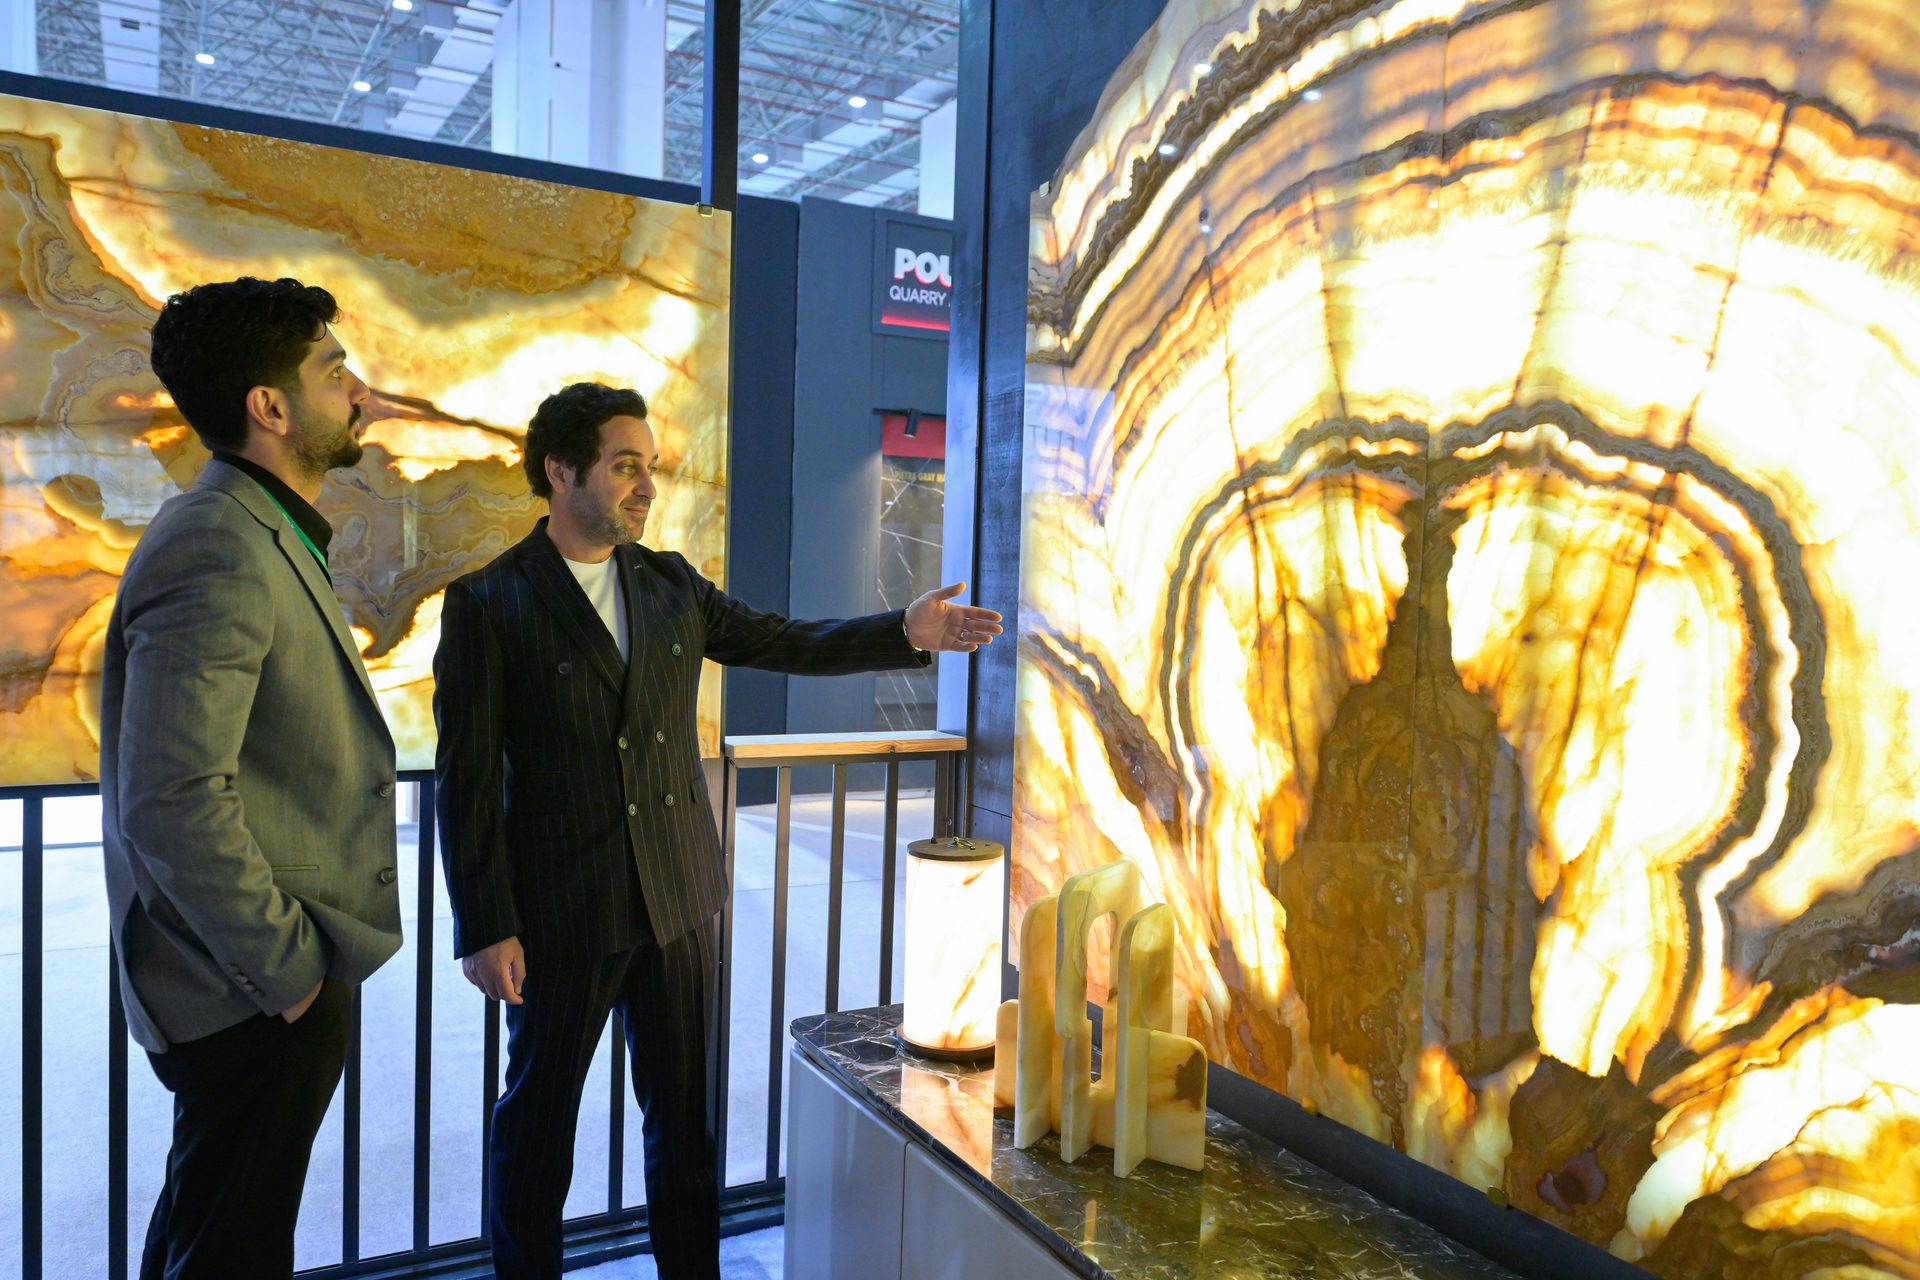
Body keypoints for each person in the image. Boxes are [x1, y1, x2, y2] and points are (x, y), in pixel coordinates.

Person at [433, 381, 1001, 1280]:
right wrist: (485, 922)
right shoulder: (490, 602)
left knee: (686, 1135)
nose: (645, 487)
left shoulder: (667, 584)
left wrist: (905, 628)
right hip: (559, 917)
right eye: (625, 466)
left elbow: (782, 640)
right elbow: (465, 782)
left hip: (678, 900)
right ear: (559, 471)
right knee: (536, 1135)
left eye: (649, 468)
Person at [100, 276, 403, 1280]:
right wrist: (290, 973)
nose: (357, 388)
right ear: (269, 407)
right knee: (230, 1246)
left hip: (260, 982)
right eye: (332, 370)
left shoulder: (261, 529)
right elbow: (171, 796)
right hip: (247, 989)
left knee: (209, 1229)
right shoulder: (218, 541)